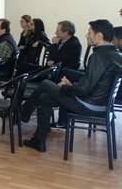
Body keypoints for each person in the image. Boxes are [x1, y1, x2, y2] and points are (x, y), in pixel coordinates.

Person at [21, 19, 122, 152]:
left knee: (46, 84)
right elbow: (94, 83)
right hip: (101, 105)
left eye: (89, 32)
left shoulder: (99, 56)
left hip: (90, 106)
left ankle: (23, 112)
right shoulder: (116, 54)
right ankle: (38, 140)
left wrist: (66, 87)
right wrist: (71, 84)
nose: (86, 35)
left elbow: (84, 90)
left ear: (99, 36)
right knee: (45, 98)